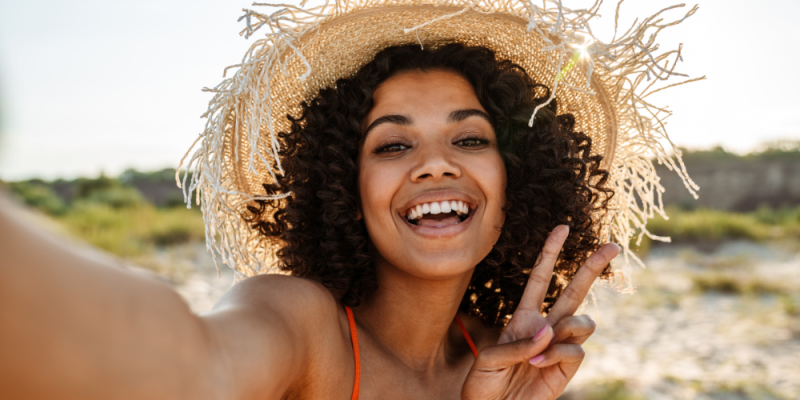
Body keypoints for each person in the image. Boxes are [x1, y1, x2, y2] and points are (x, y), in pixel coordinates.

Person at [0, 1, 698, 399]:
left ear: (517, 181)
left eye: (471, 139)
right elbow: (185, 365)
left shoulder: (503, 365)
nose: (433, 165)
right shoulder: (300, 325)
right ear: (341, 189)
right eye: (392, 146)